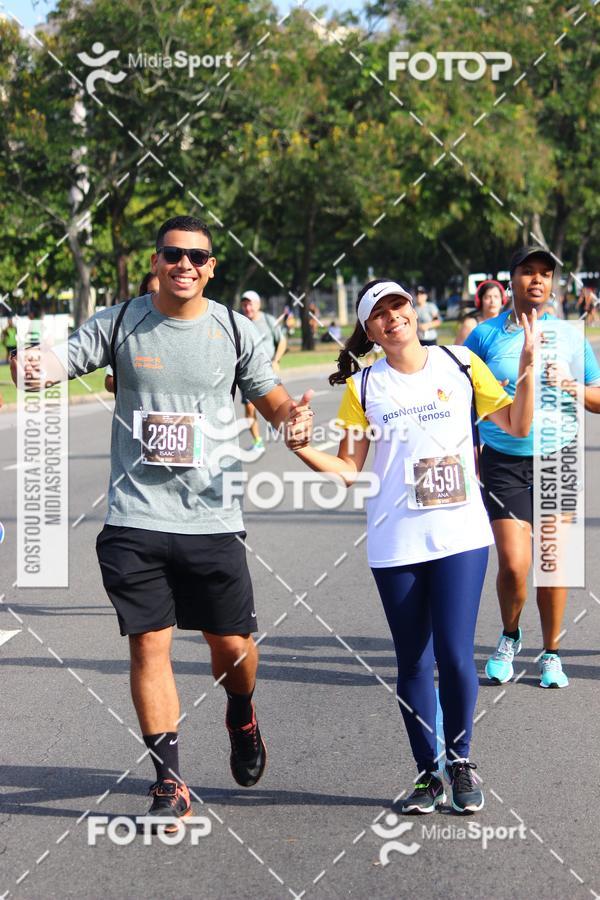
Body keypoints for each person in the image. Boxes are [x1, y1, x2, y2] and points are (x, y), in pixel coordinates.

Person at [11, 215, 313, 827]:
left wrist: (293, 420)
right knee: (149, 645)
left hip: (212, 515)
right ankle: (169, 780)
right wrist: (27, 364)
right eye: (173, 254)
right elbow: (57, 362)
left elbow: (270, 396)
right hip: (135, 516)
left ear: (211, 266)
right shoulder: (121, 322)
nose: (184, 265)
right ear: (157, 260)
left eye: (196, 257)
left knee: (231, 648)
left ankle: (242, 711)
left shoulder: (235, 329)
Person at [293, 278, 535, 814]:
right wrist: (303, 449)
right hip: (396, 541)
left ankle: (461, 760)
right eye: (378, 313)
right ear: (370, 331)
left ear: (413, 311)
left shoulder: (461, 365)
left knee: (454, 653)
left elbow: (517, 423)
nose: (392, 316)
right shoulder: (363, 387)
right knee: (413, 661)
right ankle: (428, 773)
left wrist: (530, 364)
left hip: (461, 535)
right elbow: (349, 471)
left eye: (398, 304)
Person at [465, 247, 600, 689]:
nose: (537, 280)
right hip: (504, 460)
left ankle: (552, 653)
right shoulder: (484, 337)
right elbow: (460, 399)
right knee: (514, 564)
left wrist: (571, 385)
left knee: (554, 563)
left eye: (545, 273)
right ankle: (509, 634)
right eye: (528, 272)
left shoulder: (570, 336)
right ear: (512, 279)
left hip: (557, 457)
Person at [240, 290, 287, 449]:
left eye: (250, 304)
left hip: (268, 371)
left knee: (272, 402)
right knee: (249, 406)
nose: (247, 308)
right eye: (244, 304)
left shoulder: (268, 320)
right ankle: (257, 441)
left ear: (258, 305)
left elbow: (282, 341)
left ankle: (274, 421)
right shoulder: (239, 322)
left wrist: (276, 360)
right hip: (246, 373)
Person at [104, 273, 160, 394]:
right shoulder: (128, 332)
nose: (158, 299)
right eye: (152, 293)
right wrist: (140, 382)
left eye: (163, 294)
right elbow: (109, 381)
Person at [455, 280, 507, 345]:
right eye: (488, 297)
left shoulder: (507, 324)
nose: (492, 301)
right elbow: (457, 351)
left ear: (502, 300)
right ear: (480, 301)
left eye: (496, 297)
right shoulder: (470, 325)